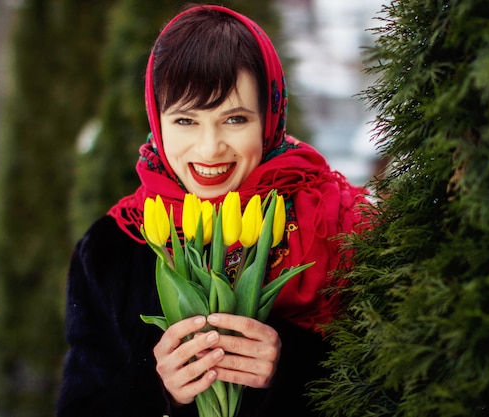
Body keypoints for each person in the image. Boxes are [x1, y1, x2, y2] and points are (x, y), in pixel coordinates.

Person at [57, 4, 369, 417]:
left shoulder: (339, 228)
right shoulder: (112, 250)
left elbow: (394, 388)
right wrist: (156, 388)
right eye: (186, 120)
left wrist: (291, 366)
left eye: (235, 119)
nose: (209, 149)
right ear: (157, 120)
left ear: (269, 118)